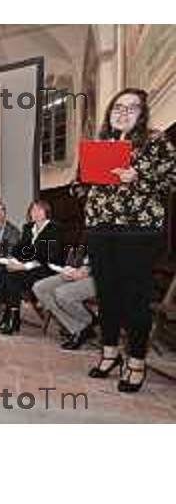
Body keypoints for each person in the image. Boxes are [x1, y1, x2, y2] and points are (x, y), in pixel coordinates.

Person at [76, 88, 176, 392]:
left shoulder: (155, 141)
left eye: (131, 108)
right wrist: (86, 184)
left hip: (138, 229)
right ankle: (109, 354)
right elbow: (76, 186)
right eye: (118, 107)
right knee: (106, 295)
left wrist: (139, 177)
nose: (123, 112)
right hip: (100, 229)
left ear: (142, 113)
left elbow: (173, 176)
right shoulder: (99, 144)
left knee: (135, 298)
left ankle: (136, 360)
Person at [0, 200, 62, 335]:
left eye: (39, 210)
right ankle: (8, 313)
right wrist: (11, 259)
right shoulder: (28, 228)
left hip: (45, 268)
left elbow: (50, 256)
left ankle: (13, 317)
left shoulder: (54, 229)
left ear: (46, 212)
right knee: (4, 272)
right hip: (27, 267)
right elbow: (19, 248)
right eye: (33, 210)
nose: (35, 213)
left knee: (13, 276)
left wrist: (24, 266)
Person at [32, 252, 96, 350]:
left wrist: (88, 270)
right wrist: (69, 270)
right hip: (81, 271)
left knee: (62, 294)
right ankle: (80, 328)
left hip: (103, 278)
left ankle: (91, 321)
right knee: (40, 288)